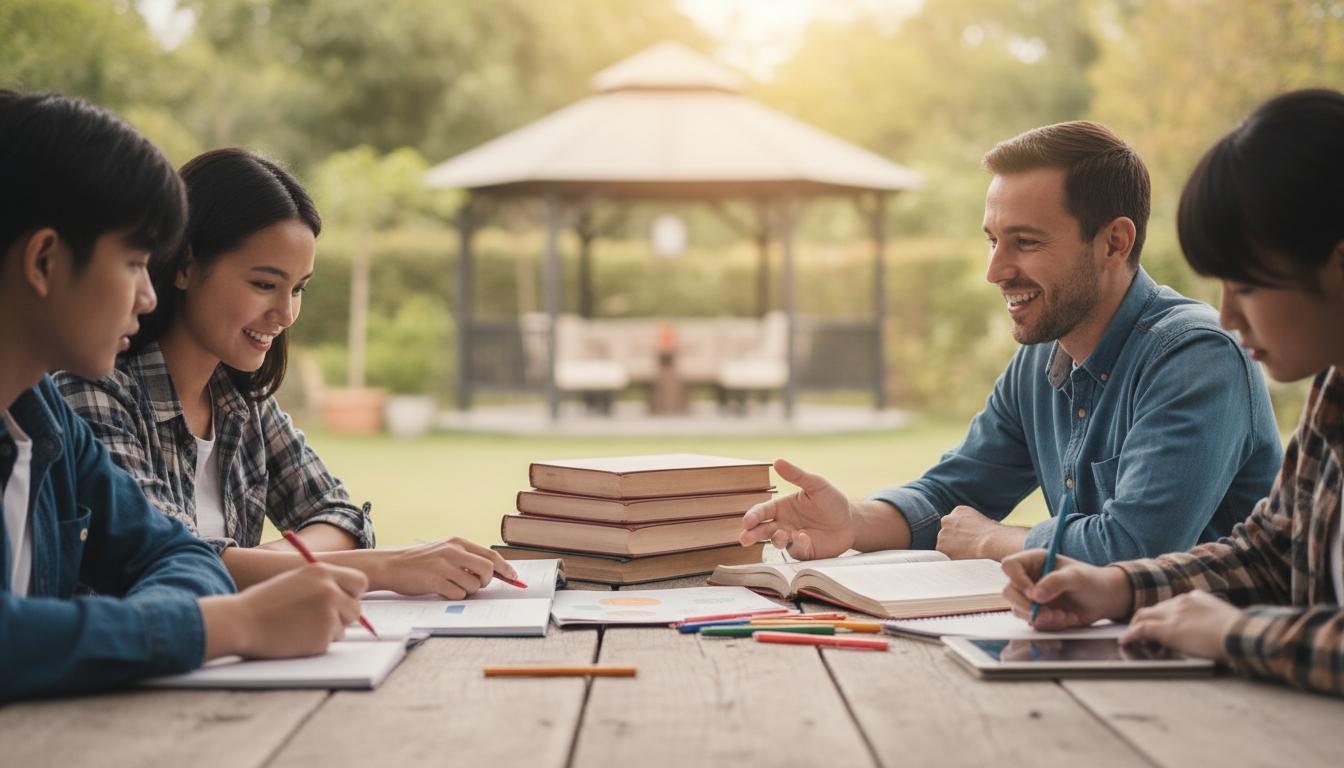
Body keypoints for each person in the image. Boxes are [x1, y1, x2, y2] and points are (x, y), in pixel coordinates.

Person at [739, 121, 1282, 565]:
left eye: (1025, 242)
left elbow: (1137, 549)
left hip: (1218, 670)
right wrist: (852, 520)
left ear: (1114, 242)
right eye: (993, 241)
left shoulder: (1195, 356)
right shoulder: (1041, 361)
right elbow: (950, 497)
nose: (995, 271)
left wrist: (993, 541)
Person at [0, 91, 368, 702]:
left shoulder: (48, 425)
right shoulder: (86, 402)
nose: (147, 297)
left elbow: (182, 556)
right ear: (44, 260)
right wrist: (233, 622)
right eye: (135, 263)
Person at [1002, 88, 1344, 696]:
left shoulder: (1193, 352)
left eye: (1247, 285)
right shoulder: (1334, 389)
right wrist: (1119, 588)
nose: (1230, 317)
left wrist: (1234, 633)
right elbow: (1271, 551)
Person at [57, 147, 517, 597]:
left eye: (298, 289)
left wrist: (266, 564)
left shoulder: (243, 404)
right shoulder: (94, 394)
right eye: (264, 284)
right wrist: (383, 568)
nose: (286, 312)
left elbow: (342, 517)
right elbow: (168, 559)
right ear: (185, 264)